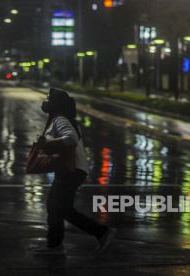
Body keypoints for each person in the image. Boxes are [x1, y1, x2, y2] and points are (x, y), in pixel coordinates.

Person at [32, 88, 116, 255]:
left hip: (70, 170)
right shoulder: (61, 118)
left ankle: (100, 233)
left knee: (59, 208)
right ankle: (58, 244)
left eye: (49, 99)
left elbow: (69, 138)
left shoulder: (60, 119)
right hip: (68, 170)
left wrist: (48, 144)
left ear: (57, 104)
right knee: (58, 207)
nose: (46, 102)